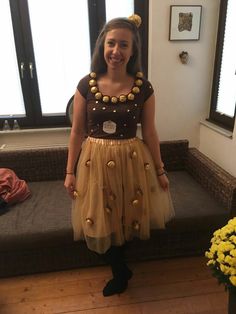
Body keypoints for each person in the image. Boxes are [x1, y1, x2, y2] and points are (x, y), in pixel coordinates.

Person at [64, 14, 175, 297]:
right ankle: (121, 269)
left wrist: (161, 170)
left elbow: (150, 133)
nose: (116, 51)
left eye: (123, 45)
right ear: (102, 46)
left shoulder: (143, 88)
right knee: (96, 223)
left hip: (131, 161)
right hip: (93, 163)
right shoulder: (85, 85)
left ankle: (119, 273)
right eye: (111, 43)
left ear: (133, 50)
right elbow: (76, 132)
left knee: (126, 219)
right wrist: (69, 172)